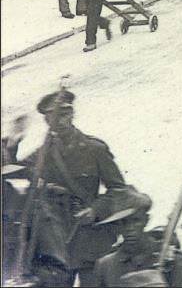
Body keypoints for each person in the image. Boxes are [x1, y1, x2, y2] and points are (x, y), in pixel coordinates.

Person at [24, 89, 127, 286]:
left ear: (72, 114)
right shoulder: (41, 155)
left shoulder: (94, 149)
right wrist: (11, 144)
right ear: (46, 121)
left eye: (64, 115)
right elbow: (18, 172)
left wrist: (95, 210)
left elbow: (119, 190)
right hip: (57, 243)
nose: (59, 121)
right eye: (52, 117)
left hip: (90, 239)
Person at [93, 187, 166, 287]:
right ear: (117, 226)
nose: (130, 228)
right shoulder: (106, 266)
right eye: (124, 222)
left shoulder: (168, 259)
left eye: (136, 220)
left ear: (146, 220)